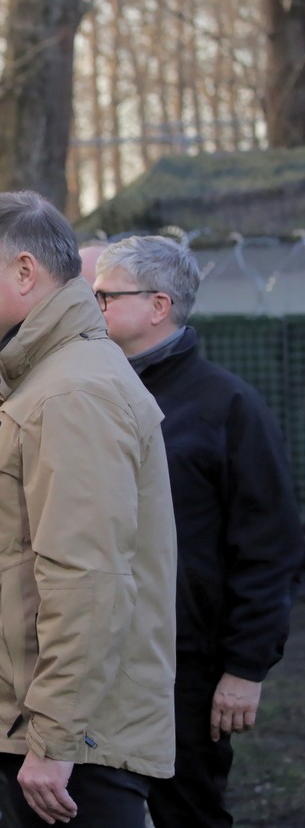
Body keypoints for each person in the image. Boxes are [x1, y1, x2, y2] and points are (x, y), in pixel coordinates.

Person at [0, 190, 177, 827]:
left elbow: (87, 578)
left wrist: (54, 738)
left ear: (25, 272)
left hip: (72, 749)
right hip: (57, 734)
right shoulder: (44, 380)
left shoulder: (71, 392)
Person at [91, 235, 305, 828]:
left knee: (185, 811)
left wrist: (245, 668)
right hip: (93, 654)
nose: (93, 306)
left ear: (158, 306)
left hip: (184, 666)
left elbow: (270, 547)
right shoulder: (89, 395)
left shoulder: (228, 405)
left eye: (106, 296)